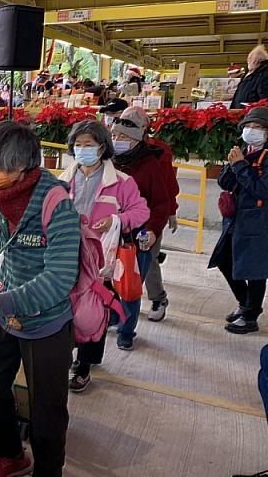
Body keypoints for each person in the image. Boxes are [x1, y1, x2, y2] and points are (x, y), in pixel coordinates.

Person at [0, 121, 80, 477]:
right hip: (8, 311)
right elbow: (5, 228)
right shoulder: (8, 193)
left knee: (46, 408)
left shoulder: (58, 205)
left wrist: (1, 304)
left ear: (21, 167)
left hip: (46, 321)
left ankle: (48, 471)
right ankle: (12, 455)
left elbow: (59, 279)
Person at [59, 120, 150, 391]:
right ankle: (64, 354)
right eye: (78, 145)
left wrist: (115, 221)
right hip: (65, 253)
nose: (82, 150)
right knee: (63, 307)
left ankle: (84, 365)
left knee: (92, 311)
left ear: (102, 148)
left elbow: (141, 212)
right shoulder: (63, 179)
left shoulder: (122, 182)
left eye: (88, 145)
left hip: (100, 257)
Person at [110, 111, 174, 350]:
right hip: (110, 233)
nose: (116, 140)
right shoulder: (109, 161)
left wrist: (152, 230)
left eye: (121, 136)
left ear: (136, 140)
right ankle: (114, 317)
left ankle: (127, 331)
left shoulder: (150, 164)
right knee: (109, 282)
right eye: (113, 135)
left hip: (138, 237)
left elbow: (161, 203)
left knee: (130, 286)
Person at [208, 107, 268, 334]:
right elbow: (225, 182)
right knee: (225, 259)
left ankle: (250, 316)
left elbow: (262, 190)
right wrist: (233, 164)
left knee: (254, 269)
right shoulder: (244, 150)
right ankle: (245, 304)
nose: (252, 131)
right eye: (248, 127)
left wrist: (241, 165)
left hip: (258, 222)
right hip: (236, 220)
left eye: (259, 128)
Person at [120, 106, 180, 322]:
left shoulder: (157, 151)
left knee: (149, 260)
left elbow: (166, 187)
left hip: (149, 218)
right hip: (121, 220)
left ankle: (157, 298)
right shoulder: (114, 152)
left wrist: (170, 211)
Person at [231, 45, 268, 109]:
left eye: (250, 59)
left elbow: (264, 100)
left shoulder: (263, 76)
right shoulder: (249, 74)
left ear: (255, 61)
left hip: (252, 115)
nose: (248, 61)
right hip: (241, 112)